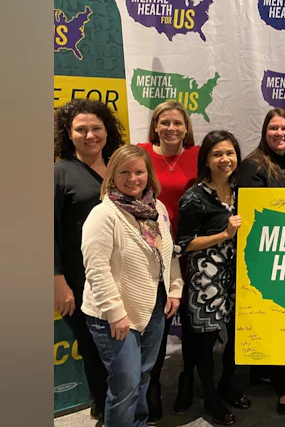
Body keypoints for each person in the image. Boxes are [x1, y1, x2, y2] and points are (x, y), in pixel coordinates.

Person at [80, 145, 183, 427]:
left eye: (139, 172)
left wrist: (175, 288)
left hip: (153, 308)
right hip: (114, 316)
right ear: (113, 175)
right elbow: (96, 270)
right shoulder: (104, 215)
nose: (133, 178)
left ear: (148, 175)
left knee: (143, 376)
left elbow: (168, 252)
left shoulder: (157, 208)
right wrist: (116, 312)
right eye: (124, 172)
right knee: (125, 385)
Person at [54, 99, 125, 421]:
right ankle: (104, 409)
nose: (90, 135)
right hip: (79, 282)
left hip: (123, 276)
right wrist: (58, 282)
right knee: (96, 352)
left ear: (107, 131)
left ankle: (124, 407)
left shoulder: (119, 167)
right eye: (81, 129)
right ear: (69, 134)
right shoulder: (59, 174)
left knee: (123, 351)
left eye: (96, 128)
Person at [177, 131, 248, 426]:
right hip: (205, 282)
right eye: (217, 154)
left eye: (230, 153)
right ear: (206, 159)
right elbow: (183, 244)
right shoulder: (194, 197)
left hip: (236, 278)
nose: (224, 159)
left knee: (235, 337)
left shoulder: (241, 191)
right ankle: (210, 396)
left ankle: (226, 384)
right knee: (205, 344)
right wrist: (223, 235)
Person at [238, 108, 285, 414]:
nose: (280, 134)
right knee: (280, 321)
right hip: (271, 256)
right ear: (265, 132)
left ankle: (267, 373)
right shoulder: (253, 165)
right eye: (274, 128)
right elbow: (257, 218)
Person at [137, 101, 201, 423]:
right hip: (152, 252)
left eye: (178, 122)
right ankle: (151, 389)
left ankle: (187, 377)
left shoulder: (198, 154)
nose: (172, 128)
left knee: (192, 322)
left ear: (186, 127)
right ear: (155, 125)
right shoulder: (140, 153)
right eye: (165, 122)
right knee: (156, 325)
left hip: (193, 250)